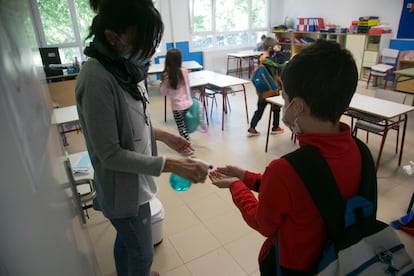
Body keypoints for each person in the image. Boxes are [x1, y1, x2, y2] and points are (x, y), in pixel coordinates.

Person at [210, 40, 365, 275]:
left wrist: (236, 186)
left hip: (294, 266)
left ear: (298, 107)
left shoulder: (285, 170)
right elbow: (303, 192)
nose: (283, 104)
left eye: (285, 97)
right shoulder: (359, 150)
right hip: (340, 260)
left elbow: (263, 222)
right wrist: (245, 176)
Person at [75, 1, 208, 275]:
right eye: (143, 43)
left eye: (153, 42)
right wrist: (170, 164)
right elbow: (110, 153)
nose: (149, 51)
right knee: (142, 252)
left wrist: (165, 136)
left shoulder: (124, 67)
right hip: (123, 190)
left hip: (136, 182)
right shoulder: (97, 79)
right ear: (112, 37)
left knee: (127, 242)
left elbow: (134, 123)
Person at [248, 37, 284, 136]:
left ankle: (252, 127)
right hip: (271, 88)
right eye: (276, 46)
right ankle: (275, 127)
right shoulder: (267, 60)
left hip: (263, 90)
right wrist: (279, 51)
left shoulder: (262, 57)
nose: (277, 48)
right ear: (270, 48)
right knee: (276, 108)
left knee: (260, 109)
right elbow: (280, 63)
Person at [160, 48, 193, 142]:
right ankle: (187, 140)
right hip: (188, 103)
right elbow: (188, 85)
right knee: (185, 125)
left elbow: (164, 92)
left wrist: (162, 83)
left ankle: (186, 143)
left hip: (177, 106)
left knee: (181, 127)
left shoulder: (167, 75)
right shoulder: (184, 71)